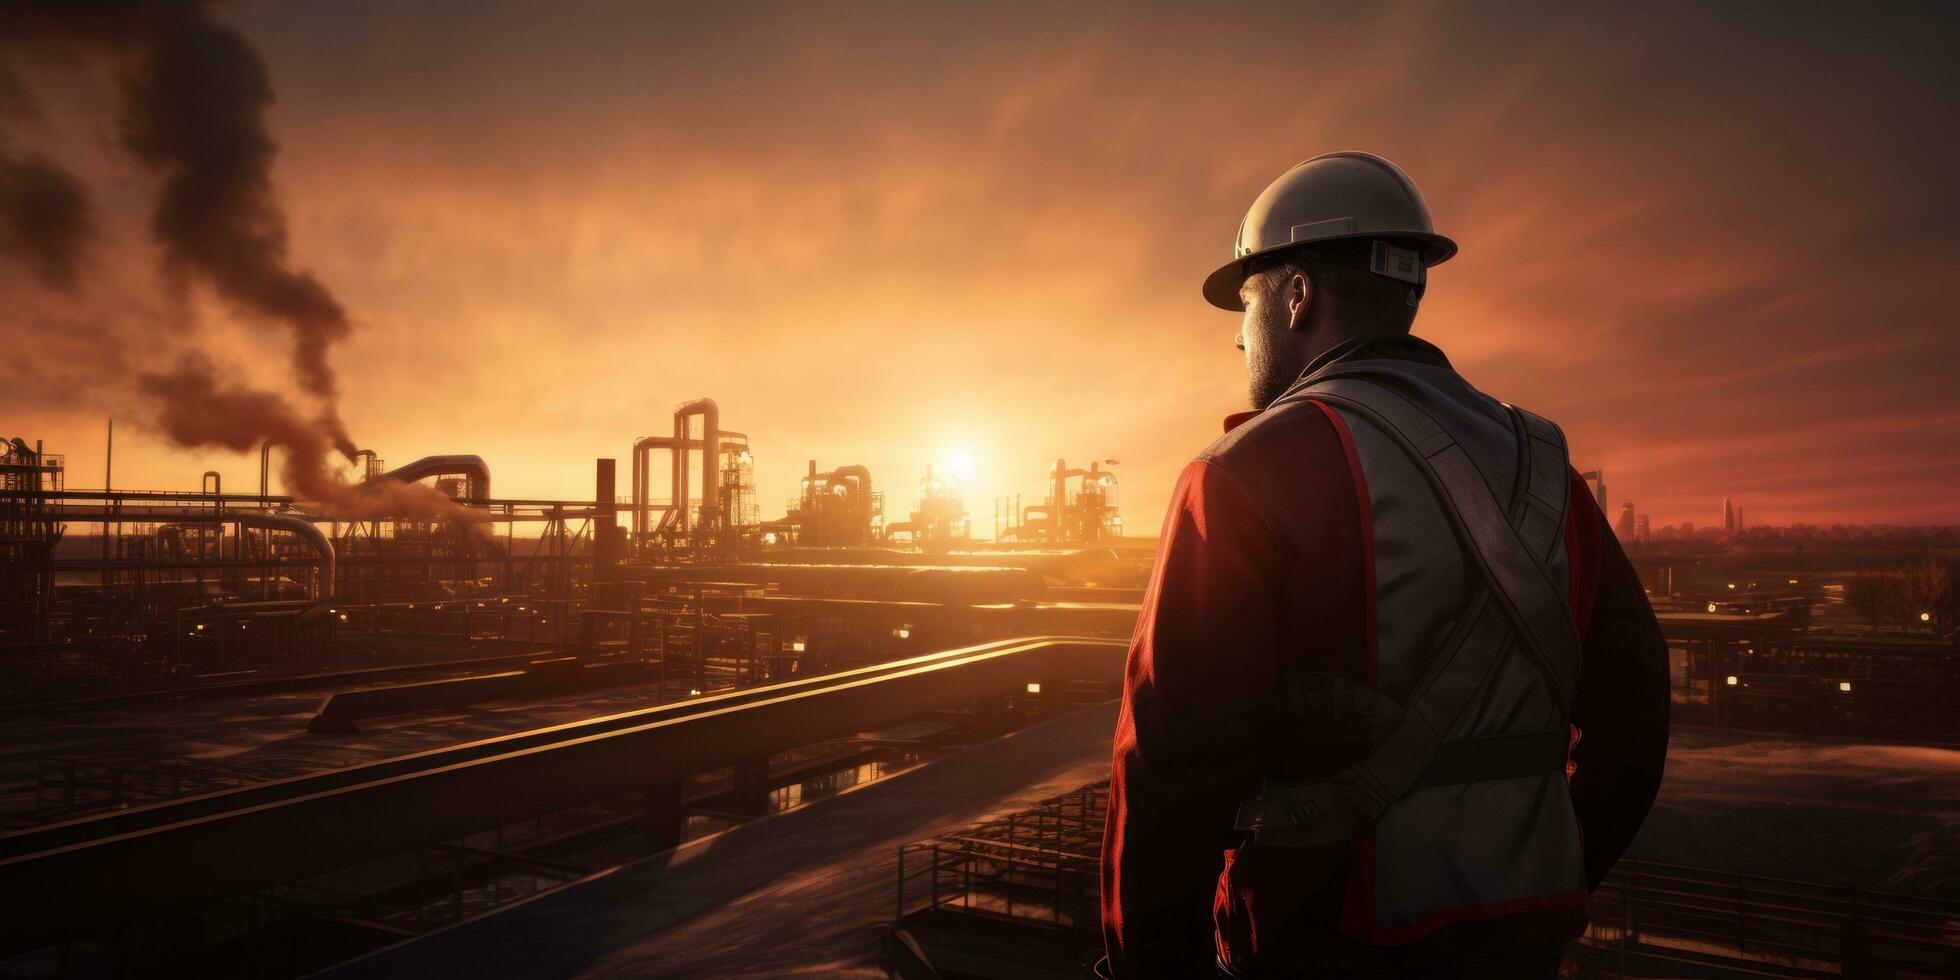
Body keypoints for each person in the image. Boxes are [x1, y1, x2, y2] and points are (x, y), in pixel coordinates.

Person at [1099, 152, 1670, 979]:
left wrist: (1148, 965)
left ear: (1297, 294)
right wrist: (1548, 878)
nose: (1236, 332)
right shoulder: (1547, 472)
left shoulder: (1245, 475)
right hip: (1517, 950)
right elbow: (1635, 714)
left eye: (1249, 299)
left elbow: (1169, 768)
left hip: (1315, 948)